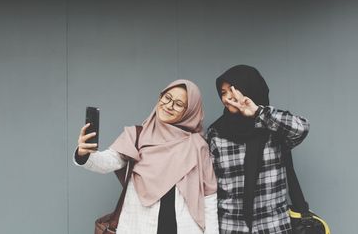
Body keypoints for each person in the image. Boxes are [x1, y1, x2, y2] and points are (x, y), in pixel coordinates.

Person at [75, 79, 219, 234]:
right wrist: (84, 154)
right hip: (139, 226)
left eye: (178, 104)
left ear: (189, 111)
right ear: (160, 97)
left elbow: (209, 197)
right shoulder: (137, 135)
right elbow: (109, 161)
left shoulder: (198, 145)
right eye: (167, 97)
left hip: (184, 227)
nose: (169, 105)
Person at [206, 65, 310, 234]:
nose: (226, 98)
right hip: (231, 227)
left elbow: (302, 128)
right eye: (223, 92)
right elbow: (210, 185)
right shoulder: (216, 133)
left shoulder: (273, 127)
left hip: (274, 226)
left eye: (233, 90)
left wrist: (257, 112)